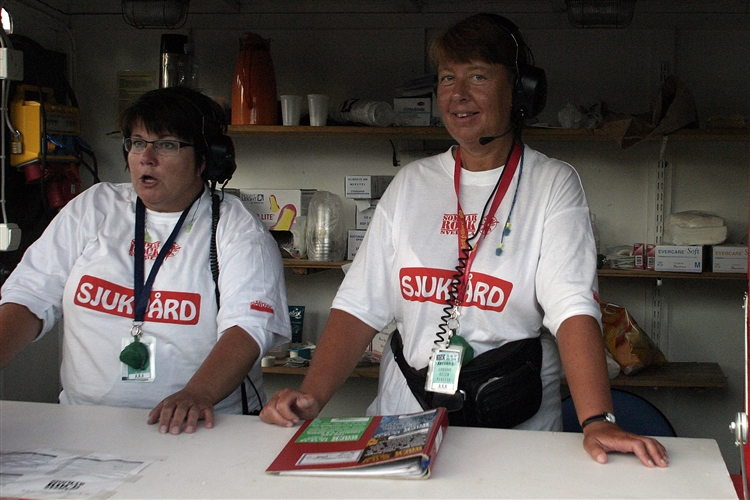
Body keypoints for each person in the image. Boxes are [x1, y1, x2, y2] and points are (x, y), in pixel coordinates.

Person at [260, 13, 669, 468]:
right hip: (404, 420)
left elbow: (573, 307)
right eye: (447, 78)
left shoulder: (552, 184)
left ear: (520, 91)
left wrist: (597, 418)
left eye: (477, 76)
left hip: (512, 431)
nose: (458, 94)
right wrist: (311, 397)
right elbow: (359, 305)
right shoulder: (411, 184)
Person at [0, 85, 291, 435]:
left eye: (167, 144)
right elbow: (29, 297)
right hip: (85, 424)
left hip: (202, 425)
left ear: (206, 159)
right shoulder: (93, 208)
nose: (146, 158)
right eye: (138, 142)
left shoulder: (236, 229)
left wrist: (197, 394)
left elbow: (248, 328)